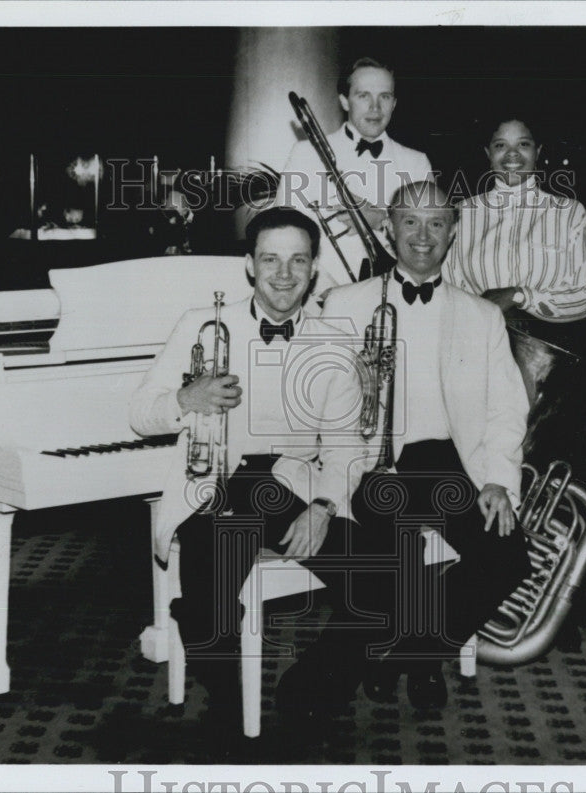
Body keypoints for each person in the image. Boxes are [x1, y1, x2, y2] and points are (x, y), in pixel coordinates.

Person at [277, 182, 532, 722]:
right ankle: (321, 690)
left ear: (453, 233)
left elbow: (507, 409)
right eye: (410, 223)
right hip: (374, 467)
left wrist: (498, 481)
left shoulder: (481, 316)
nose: (423, 236)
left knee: (508, 556)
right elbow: (319, 407)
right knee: (394, 567)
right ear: (388, 229)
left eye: (436, 223)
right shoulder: (344, 303)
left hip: (446, 463)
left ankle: (416, 652)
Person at [129, 207, 367, 734]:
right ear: (249, 265)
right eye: (270, 259)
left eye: (298, 260)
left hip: (290, 490)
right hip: (213, 488)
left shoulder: (336, 342)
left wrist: (324, 508)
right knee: (210, 591)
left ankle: (310, 684)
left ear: (314, 268)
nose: (284, 274)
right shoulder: (200, 323)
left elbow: (348, 444)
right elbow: (140, 414)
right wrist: (185, 398)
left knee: (385, 585)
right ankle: (225, 697)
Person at [275, 57, 434, 292]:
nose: (375, 107)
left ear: (394, 104)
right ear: (345, 101)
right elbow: (283, 231)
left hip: (392, 294)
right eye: (363, 95)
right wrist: (325, 291)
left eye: (385, 96)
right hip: (319, 295)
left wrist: (381, 219)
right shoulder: (306, 153)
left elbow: (429, 239)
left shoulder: (417, 163)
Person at [443, 117, 586, 324]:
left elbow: (583, 297)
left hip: (548, 350)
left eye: (523, 144)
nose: (512, 153)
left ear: (538, 152)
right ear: (488, 153)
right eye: (500, 145)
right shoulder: (461, 213)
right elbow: (449, 290)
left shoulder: (569, 213)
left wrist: (518, 296)